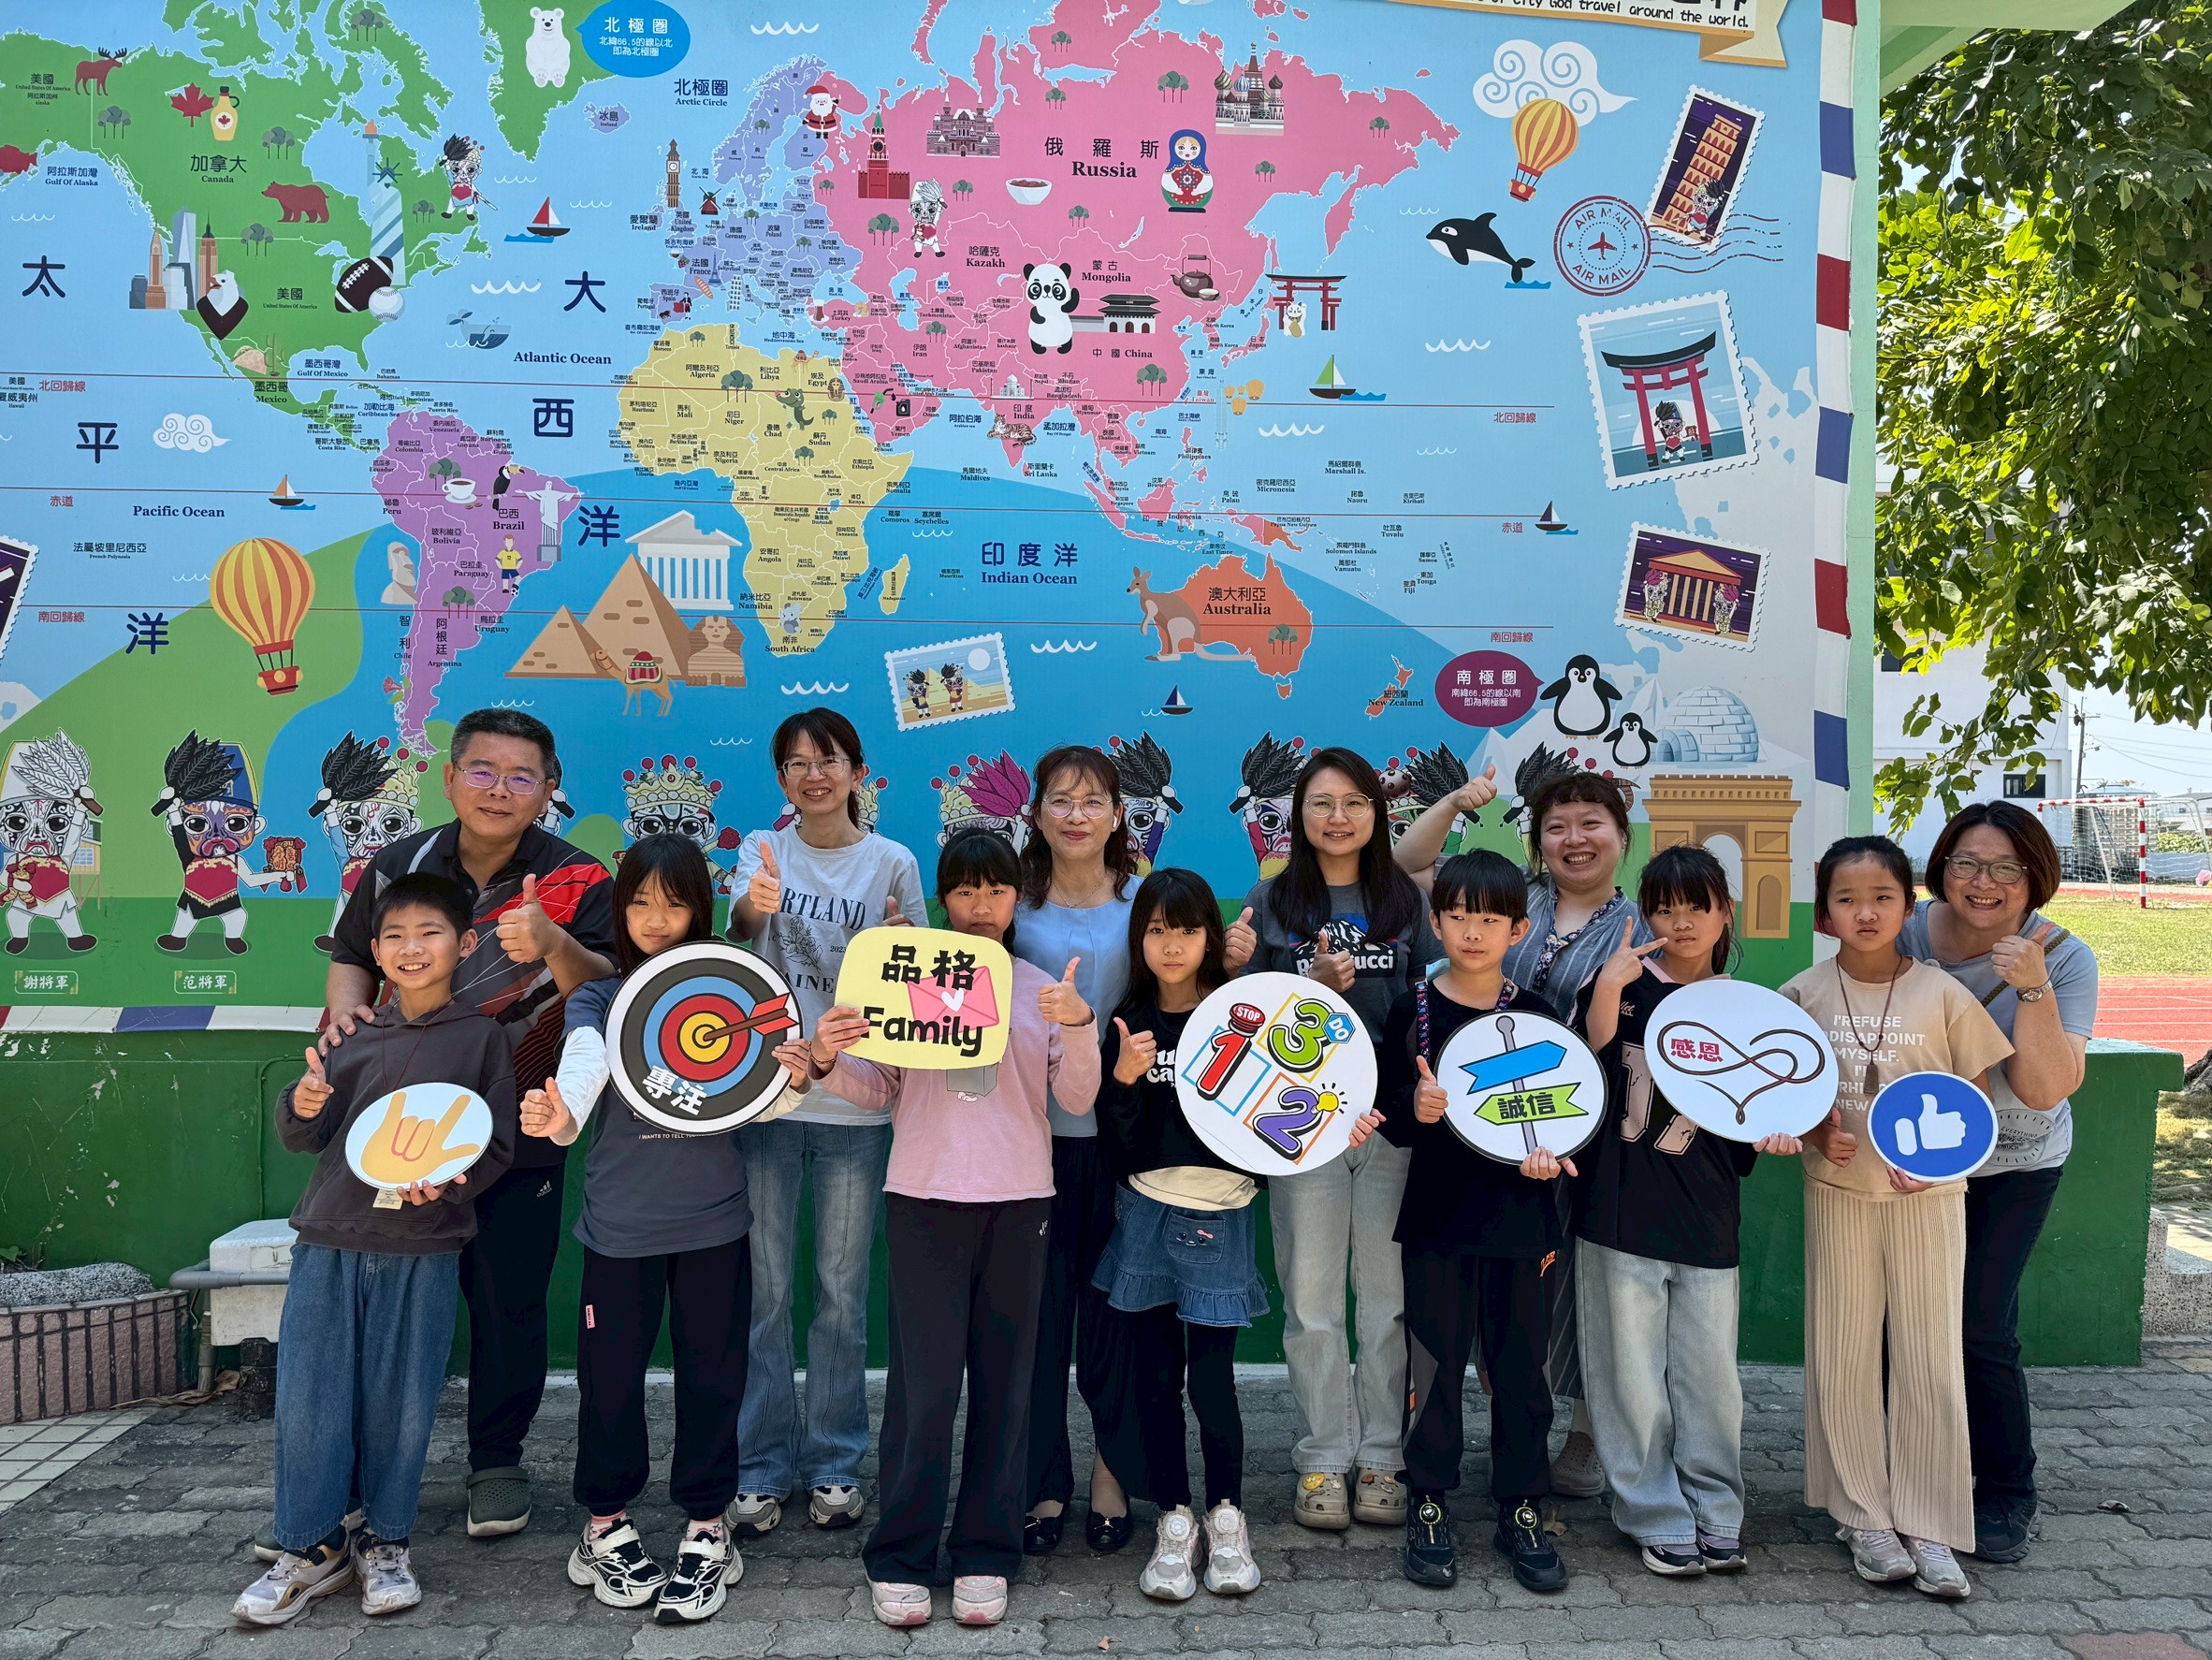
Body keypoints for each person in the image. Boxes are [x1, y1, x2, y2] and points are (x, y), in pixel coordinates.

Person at [320, 708, 616, 1541]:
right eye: (482, 771)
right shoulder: (397, 864)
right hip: (403, 1118)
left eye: (522, 776)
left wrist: (552, 941)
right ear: (448, 778)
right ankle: (363, 1471)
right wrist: (345, 1021)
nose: (499, 790)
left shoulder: (581, 877)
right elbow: (351, 957)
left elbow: (607, 984)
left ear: (549, 791)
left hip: (525, 1116)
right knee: (389, 1303)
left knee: (508, 1300)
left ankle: (497, 1462)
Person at [808, 829, 1102, 1630]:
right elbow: (878, 1087)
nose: (980, 905)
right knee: (923, 1391)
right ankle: (902, 1555)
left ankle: (986, 1552)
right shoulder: (913, 980)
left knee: (1007, 1388)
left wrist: (1078, 1023)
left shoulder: (1042, 991)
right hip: (923, 1199)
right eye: (965, 890)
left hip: (1020, 1204)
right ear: (944, 899)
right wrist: (829, 1060)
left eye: (996, 890)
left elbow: (1078, 1099)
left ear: (1017, 899)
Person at [522, 836, 814, 1624]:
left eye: (675, 902)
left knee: (713, 1379)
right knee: (610, 1384)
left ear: (698, 911)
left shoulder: (729, 987)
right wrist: (560, 1116)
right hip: (619, 1231)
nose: (656, 918)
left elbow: (767, 1098)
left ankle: (709, 1527)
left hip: (714, 1225)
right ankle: (604, 1527)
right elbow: (584, 1067)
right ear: (620, 908)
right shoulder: (599, 997)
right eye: (641, 901)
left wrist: (799, 1073)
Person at [233, 874, 517, 1626]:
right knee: (310, 1398)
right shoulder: (350, 1033)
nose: (411, 949)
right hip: (331, 1238)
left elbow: (495, 1146)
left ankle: (386, 1542)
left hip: (425, 1246)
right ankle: (310, 1547)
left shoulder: (482, 1038)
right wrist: (301, 1103)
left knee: (402, 1402)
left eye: (429, 933)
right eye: (394, 937)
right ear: (376, 952)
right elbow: (305, 1134)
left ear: (466, 943)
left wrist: (448, 1187)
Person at [1397, 765, 1652, 1497]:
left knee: (1575, 1284)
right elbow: (1411, 864)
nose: (1575, 839)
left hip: (1584, 1123)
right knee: (1494, 1295)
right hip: (1476, 1125)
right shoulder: (1511, 895)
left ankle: (1581, 1435)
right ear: (1537, 838)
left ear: (1621, 834)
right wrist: (1455, 801)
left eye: (1591, 823)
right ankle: (1465, 1452)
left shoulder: (1638, 928)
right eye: (1556, 826)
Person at [1783, 836, 2014, 1600]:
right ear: (1824, 913)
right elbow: (1788, 1098)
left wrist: (1942, 1163)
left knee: (1928, 1357)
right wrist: (1819, 1135)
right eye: (1847, 899)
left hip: (1930, 1202)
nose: (1866, 913)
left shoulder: (1943, 993)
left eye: (1882, 897)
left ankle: (1930, 1521)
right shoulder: (1801, 995)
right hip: (1839, 1192)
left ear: (1907, 906)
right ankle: (1864, 1516)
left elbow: (1976, 1097)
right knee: (1842, 1352)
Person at [1571, 846, 1801, 1579]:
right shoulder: (1622, 986)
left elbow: (1762, 1109)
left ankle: (1716, 1508)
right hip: (1617, 1209)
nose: (1681, 922)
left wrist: (1778, 1129)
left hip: (1707, 1213)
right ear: (1646, 916)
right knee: (1629, 1376)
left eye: (1696, 907)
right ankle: (1652, 1511)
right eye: (1664, 908)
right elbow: (1585, 1068)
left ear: (1725, 912)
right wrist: (1609, 986)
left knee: (1709, 1378)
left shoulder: (1745, 1006)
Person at [1346, 849, 1569, 1594]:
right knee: (1434, 1369)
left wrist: (1550, 1157)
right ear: (1435, 923)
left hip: (1522, 1221)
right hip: (1437, 1218)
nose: (1474, 932)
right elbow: (1389, 1113)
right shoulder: (1411, 1009)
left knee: (1521, 1371)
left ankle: (1522, 1505)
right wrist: (1414, 1106)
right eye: (1459, 916)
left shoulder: (1537, 1016)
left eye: (1491, 919)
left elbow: (1564, 1117)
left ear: (1518, 929)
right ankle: (1430, 1499)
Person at [724, 709, 924, 1537]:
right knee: (766, 1292)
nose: (815, 775)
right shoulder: (761, 852)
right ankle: (761, 1468)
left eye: (829, 760)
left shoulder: (894, 861)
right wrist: (752, 907)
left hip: (855, 1105)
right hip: (769, 1100)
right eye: (798, 763)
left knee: (841, 1295)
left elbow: (916, 983)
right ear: (782, 778)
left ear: (857, 772)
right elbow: (736, 941)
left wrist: (901, 943)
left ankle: (836, 1463)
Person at [1240, 747, 1434, 1532]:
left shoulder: (1406, 900)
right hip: (1300, 1125)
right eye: (1321, 803)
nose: (1338, 817)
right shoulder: (1272, 899)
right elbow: (1244, 1022)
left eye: (1355, 802)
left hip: (1390, 1125)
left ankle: (1384, 1456)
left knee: (1387, 1303)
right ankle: (1323, 1457)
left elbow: (1433, 1007)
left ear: (1377, 814)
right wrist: (1307, 993)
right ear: (1299, 814)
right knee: (1313, 1302)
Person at [1900, 803, 2099, 1563]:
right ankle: (1910, 1477)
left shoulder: (2064, 956)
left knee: (1981, 1325)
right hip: (1913, 1156)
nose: (1983, 883)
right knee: (1904, 1321)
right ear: (1942, 869)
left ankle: (2008, 1491)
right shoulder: (1907, 933)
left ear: (2034, 876)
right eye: (1967, 864)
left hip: (2015, 1159)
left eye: (2006, 868)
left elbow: (2045, 1089)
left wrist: (2034, 988)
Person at [1093, 867, 1267, 1602]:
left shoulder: (1241, 1015)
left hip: (1222, 1212)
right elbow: (1120, 1146)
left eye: (1188, 930)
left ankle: (1227, 1518)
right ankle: (1174, 1518)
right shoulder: (1129, 1019)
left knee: (1214, 1382)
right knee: (1157, 1379)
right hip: (1145, 1213)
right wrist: (1124, 1081)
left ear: (1210, 937)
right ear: (1139, 938)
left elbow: (1276, 1123)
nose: (1172, 945)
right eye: (1158, 930)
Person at [1013, 745, 1139, 1554]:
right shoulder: (1013, 908)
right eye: (1060, 800)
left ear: (1118, 815)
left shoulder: (1145, 902)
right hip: (1031, 1144)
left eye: (1094, 802)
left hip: (1125, 1143)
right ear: (1036, 815)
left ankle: (1111, 1473)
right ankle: (1041, 1479)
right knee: (1039, 1320)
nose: (1076, 816)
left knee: (1114, 1319)